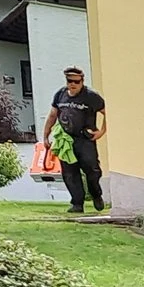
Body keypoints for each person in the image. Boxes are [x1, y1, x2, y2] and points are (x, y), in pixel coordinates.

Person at [47, 67, 109, 214]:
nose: (73, 84)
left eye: (76, 81)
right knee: (69, 174)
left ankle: (96, 195)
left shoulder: (91, 96)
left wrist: (101, 131)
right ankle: (77, 204)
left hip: (85, 139)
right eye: (70, 81)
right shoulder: (60, 94)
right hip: (66, 140)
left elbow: (108, 112)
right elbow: (52, 115)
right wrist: (46, 136)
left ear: (82, 81)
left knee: (92, 171)